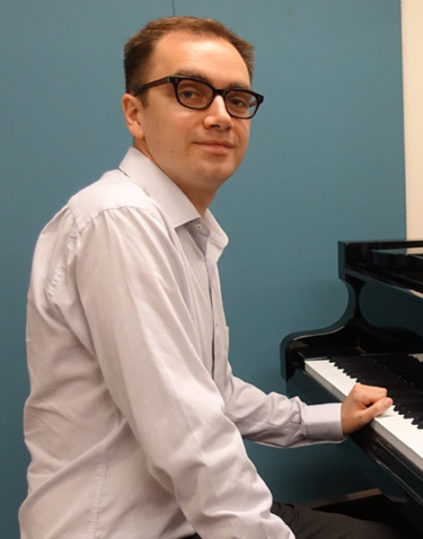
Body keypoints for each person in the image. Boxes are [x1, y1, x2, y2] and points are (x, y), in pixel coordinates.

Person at [20, 16, 400, 538]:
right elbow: (191, 440)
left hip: (184, 514)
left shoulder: (183, 227)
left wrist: (327, 420)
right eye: (191, 92)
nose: (221, 116)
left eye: (237, 99)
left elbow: (210, 392)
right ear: (135, 113)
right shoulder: (120, 220)